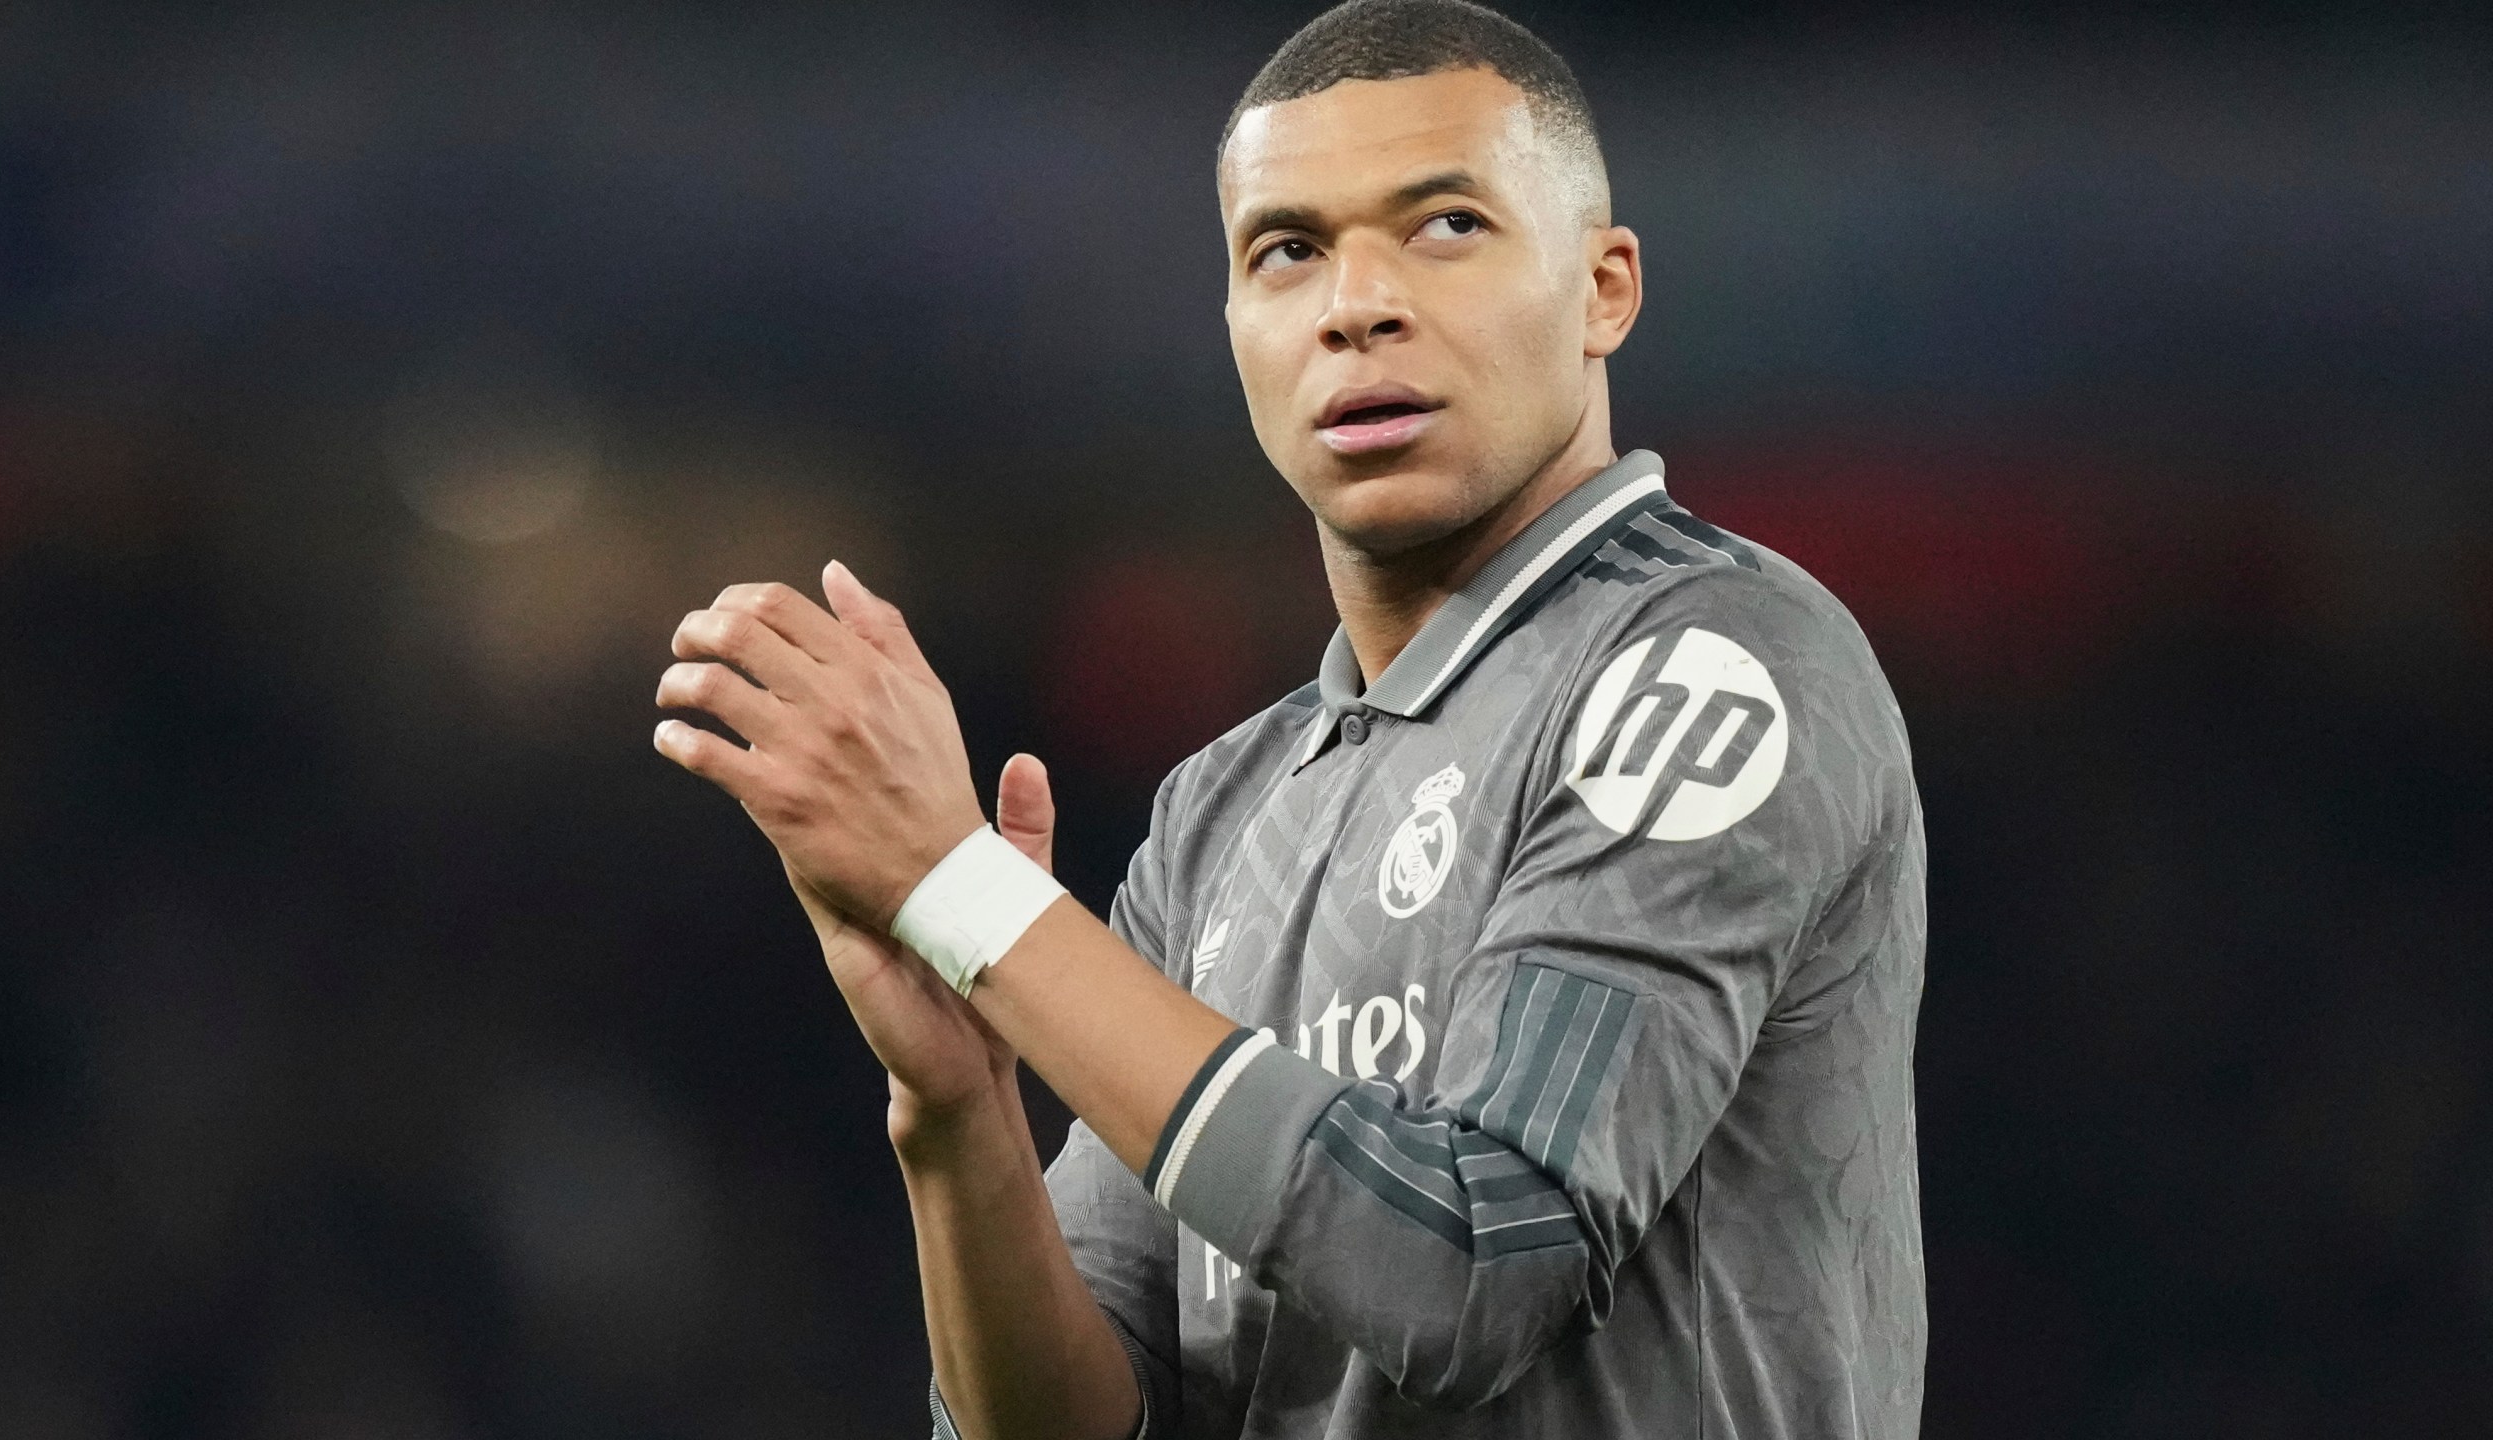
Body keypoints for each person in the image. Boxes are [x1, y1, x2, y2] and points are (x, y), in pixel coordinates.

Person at [650, 1, 1926, 1435]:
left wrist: (971, 890)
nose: (1355, 303)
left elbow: (1473, 1261)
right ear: (1239, 328)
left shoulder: (1708, 662)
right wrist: (959, 1122)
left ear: (1603, 288)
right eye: (1289, 250)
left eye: (1444, 226)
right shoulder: (1222, 812)